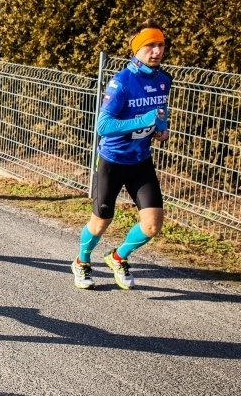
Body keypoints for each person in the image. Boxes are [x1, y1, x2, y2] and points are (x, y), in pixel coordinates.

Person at [70, 19, 170, 290]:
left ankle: (117, 257)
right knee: (101, 221)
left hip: (141, 161)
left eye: (160, 45)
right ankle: (81, 262)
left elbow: (161, 110)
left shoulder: (163, 80)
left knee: (152, 226)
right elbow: (103, 126)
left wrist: (162, 128)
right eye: (150, 45)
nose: (157, 51)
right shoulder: (121, 82)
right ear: (136, 49)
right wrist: (144, 121)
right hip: (112, 161)